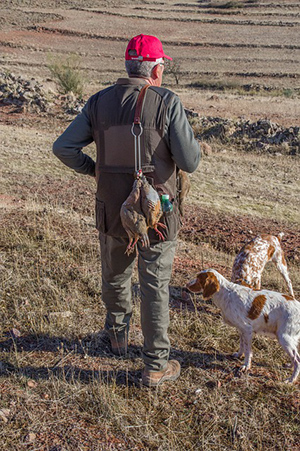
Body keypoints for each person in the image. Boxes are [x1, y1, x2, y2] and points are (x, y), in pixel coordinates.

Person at [53, 34, 201, 387]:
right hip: (157, 217)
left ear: (129, 66)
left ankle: (117, 338)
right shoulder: (167, 102)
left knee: (115, 276)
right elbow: (190, 162)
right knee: (154, 287)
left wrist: (97, 171)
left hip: (110, 212)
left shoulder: (98, 102)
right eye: (162, 65)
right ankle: (154, 365)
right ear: (156, 69)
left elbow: (63, 147)